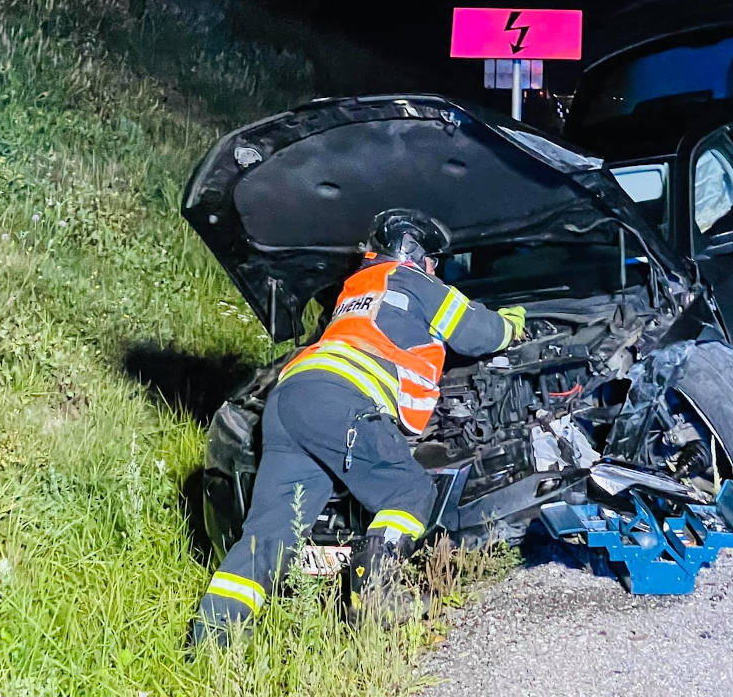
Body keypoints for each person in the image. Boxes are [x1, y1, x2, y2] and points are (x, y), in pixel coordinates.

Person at [190, 208, 527, 645]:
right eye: (432, 261)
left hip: (289, 399)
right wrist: (515, 323)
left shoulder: (353, 291)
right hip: (340, 398)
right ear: (414, 253)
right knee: (409, 491)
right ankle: (373, 596)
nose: (433, 269)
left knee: (267, 537)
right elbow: (479, 332)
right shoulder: (411, 281)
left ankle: (211, 643)